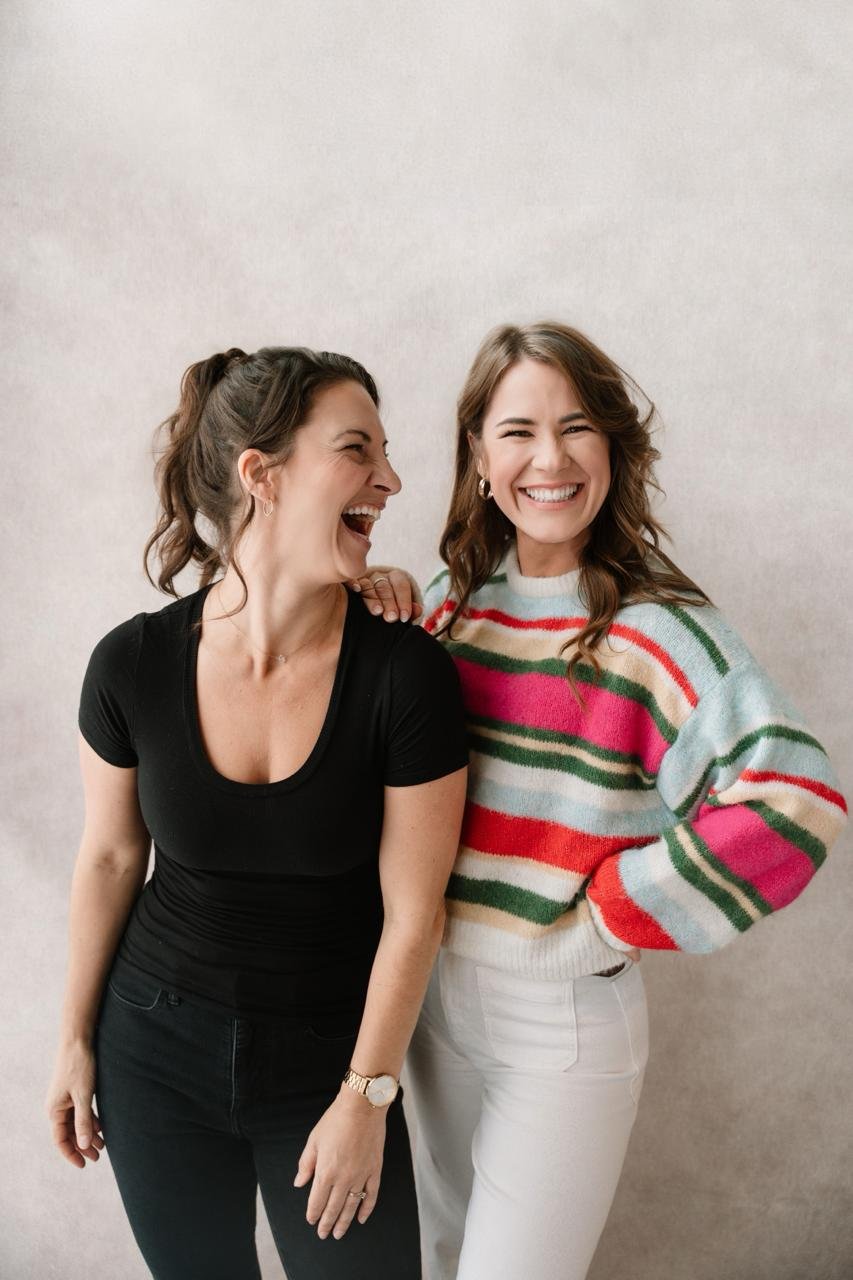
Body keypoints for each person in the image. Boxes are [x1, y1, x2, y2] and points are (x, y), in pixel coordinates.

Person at [354, 321, 847, 1280]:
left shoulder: (656, 627)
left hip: (562, 1022)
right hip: (430, 1005)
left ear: (614, 449)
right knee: (440, 1257)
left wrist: (614, 912)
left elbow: (796, 800)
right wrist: (381, 601)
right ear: (478, 456)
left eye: (577, 427)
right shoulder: (453, 602)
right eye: (517, 431)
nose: (550, 459)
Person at [45, 346, 468, 1280]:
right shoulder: (131, 665)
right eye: (357, 450)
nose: (391, 480)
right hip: (150, 1050)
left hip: (329, 1062)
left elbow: (415, 915)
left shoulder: (405, 675)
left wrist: (365, 1097)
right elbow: (110, 858)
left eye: (386, 453)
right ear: (261, 475)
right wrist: (73, 1038)